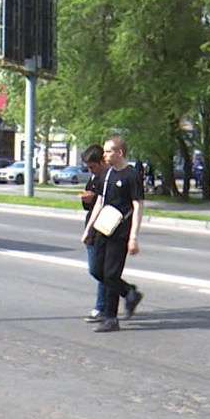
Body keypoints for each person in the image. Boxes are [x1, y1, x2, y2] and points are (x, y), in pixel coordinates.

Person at [81, 135, 145, 333]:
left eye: (108, 151)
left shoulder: (131, 175)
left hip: (120, 232)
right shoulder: (106, 174)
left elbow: (138, 205)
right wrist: (89, 229)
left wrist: (133, 236)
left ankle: (111, 318)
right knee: (98, 270)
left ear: (119, 153)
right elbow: (100, 201)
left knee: (111, 274)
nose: (105, 154)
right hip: (102, 228)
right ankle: (129, 292)